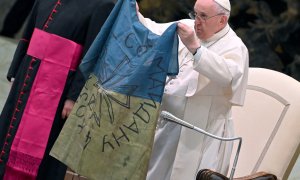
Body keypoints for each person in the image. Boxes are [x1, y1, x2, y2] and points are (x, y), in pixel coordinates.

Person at [0, 0, 115, 179]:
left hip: (60, 89)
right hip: (27, 77)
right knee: (9, 131)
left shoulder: (102, 5)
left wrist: (74, 97)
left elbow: (92, 54)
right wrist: (15, 70)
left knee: (45, 150)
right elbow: (27, 36)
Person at [138, 0, 249, 179]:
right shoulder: (189, 27)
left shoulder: (235, 46)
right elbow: (154, 30)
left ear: (222, 20)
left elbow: (228, 75)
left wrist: (195, 49)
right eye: (195, 14)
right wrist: (134, 14)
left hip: (204, 134)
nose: (196, 21)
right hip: (169, 127)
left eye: (203, 16)